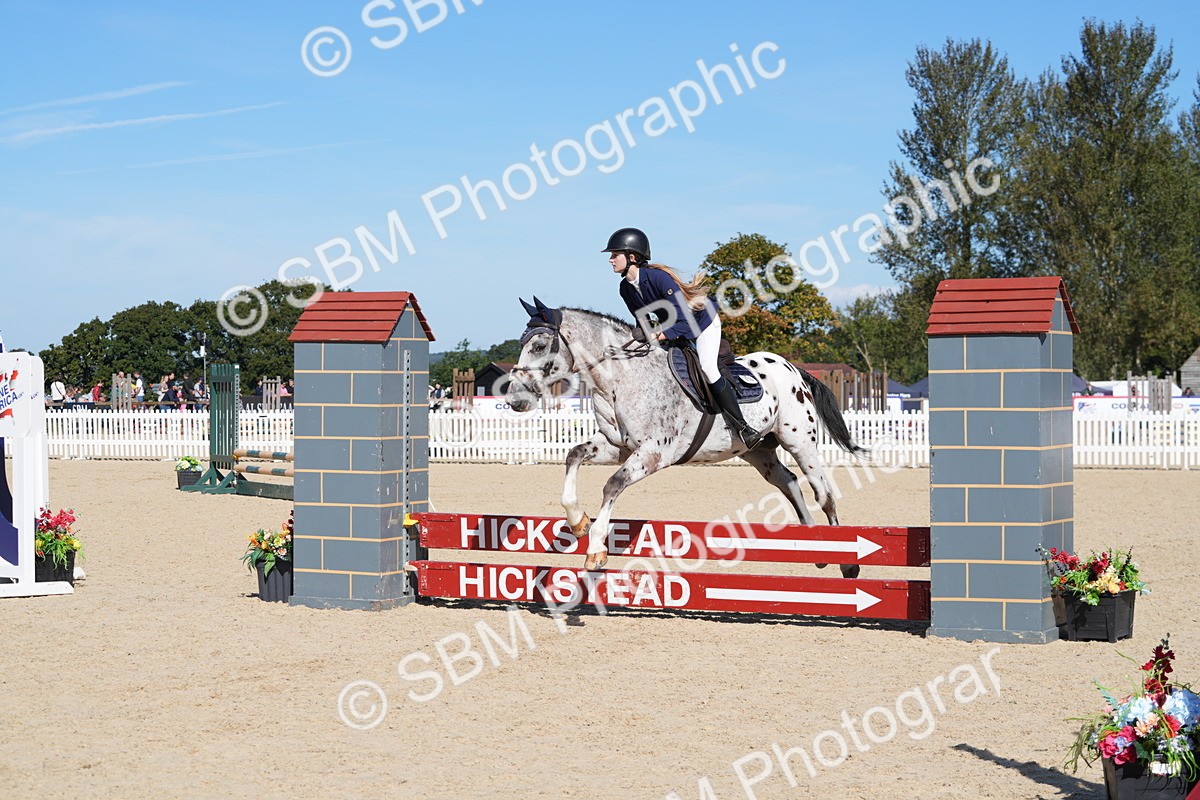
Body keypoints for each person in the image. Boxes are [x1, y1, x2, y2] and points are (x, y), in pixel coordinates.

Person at [601, 227, 762, 448]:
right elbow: (644, 320)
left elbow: (686, 320)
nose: (610, 260)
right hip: (674, 326)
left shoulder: (659, 278)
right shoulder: (625, 288)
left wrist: (662, 333)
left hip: (702, 321)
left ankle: (743, 427)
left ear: (632, 257)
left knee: (707, 367)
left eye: (614, 255)